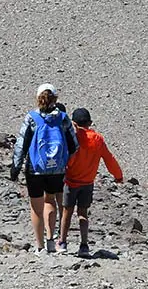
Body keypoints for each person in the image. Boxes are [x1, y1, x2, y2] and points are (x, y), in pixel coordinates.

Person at [10, 84, 78, 255]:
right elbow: (74, 144)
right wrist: (64, 161)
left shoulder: (32, 117)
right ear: (55, 99)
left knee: (36, 207)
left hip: (35, 169)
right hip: (57, 169)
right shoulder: (62, 118)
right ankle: (52, 239)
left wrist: (16, 166)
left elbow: (21, 143)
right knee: (52, 200)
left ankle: (40, 246)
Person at [57, 107, 124, 257]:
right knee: (83, 213)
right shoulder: (98, 140)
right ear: (90, 122)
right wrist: (118, 176)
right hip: (87, 182)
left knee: (67, 211)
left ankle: (62, 242)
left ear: (74, 123)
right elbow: (109, 159)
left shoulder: (74, 137)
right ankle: (84, 245)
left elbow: (69, 158)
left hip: (71, 181)